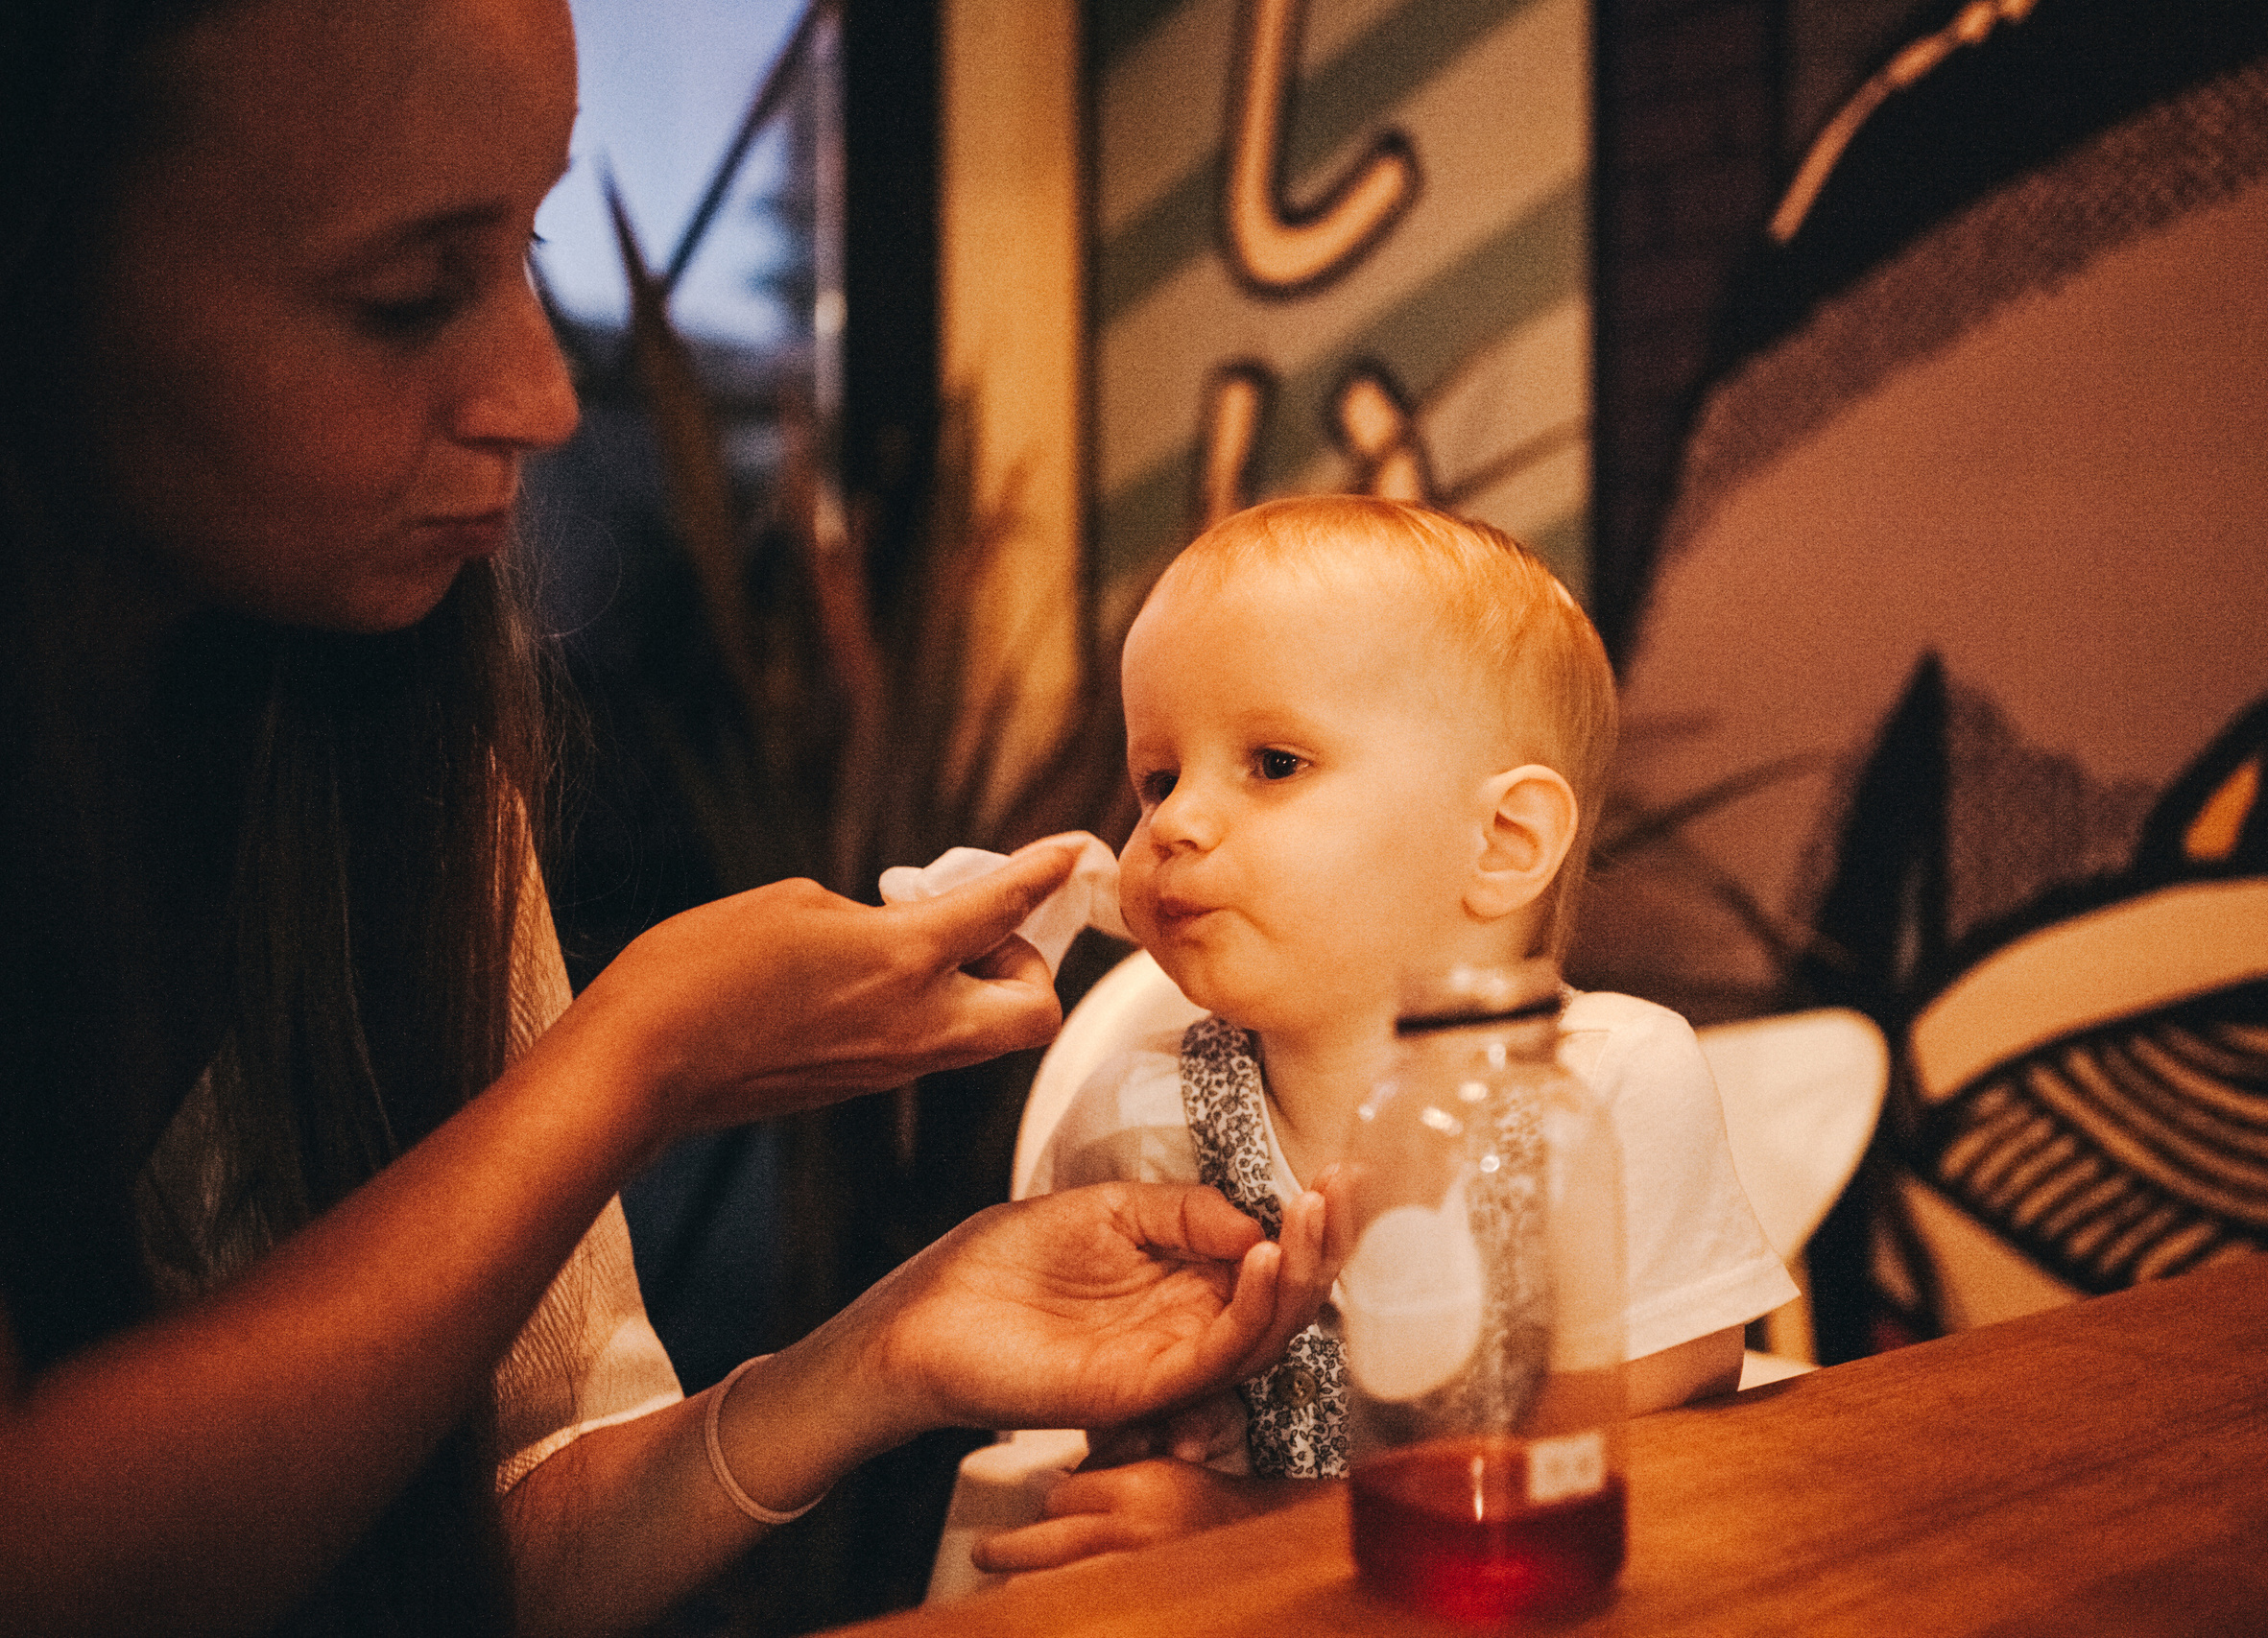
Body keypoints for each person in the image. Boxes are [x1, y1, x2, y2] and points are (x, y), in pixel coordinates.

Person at [0, 3, 1331, 1634]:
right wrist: (633, 1061)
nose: (546, 397)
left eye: (529, 250)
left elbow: (514, 1530)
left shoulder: (389, 773)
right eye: (405, 294)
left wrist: (891, 1348)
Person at [977, 496, 1797, 1572]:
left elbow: (1677, 1396)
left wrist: (1263, 1524)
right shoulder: (1134, 1126)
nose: (1171, 822)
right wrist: (1152, 1442)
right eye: (1158, 777)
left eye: (1273, 763)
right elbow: (1098, 1411)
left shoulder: (1601, 1081)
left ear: (1501, 841)